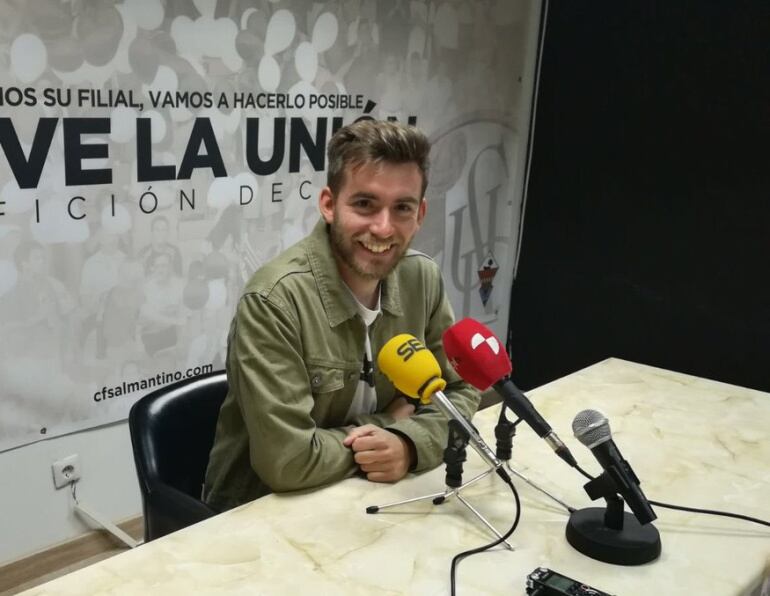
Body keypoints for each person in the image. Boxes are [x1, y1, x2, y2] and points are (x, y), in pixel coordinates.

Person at [203, 120, 479, 512]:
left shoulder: (423, 279)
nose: (383, 228)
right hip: (263, 512)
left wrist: (410, 445)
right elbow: (287, 462)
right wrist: (390, 424)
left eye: (401, 208)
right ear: (329, 205)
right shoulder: (275, 299)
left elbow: (460, 392)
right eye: (365, 204)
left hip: (372, 499)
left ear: (419, 214)